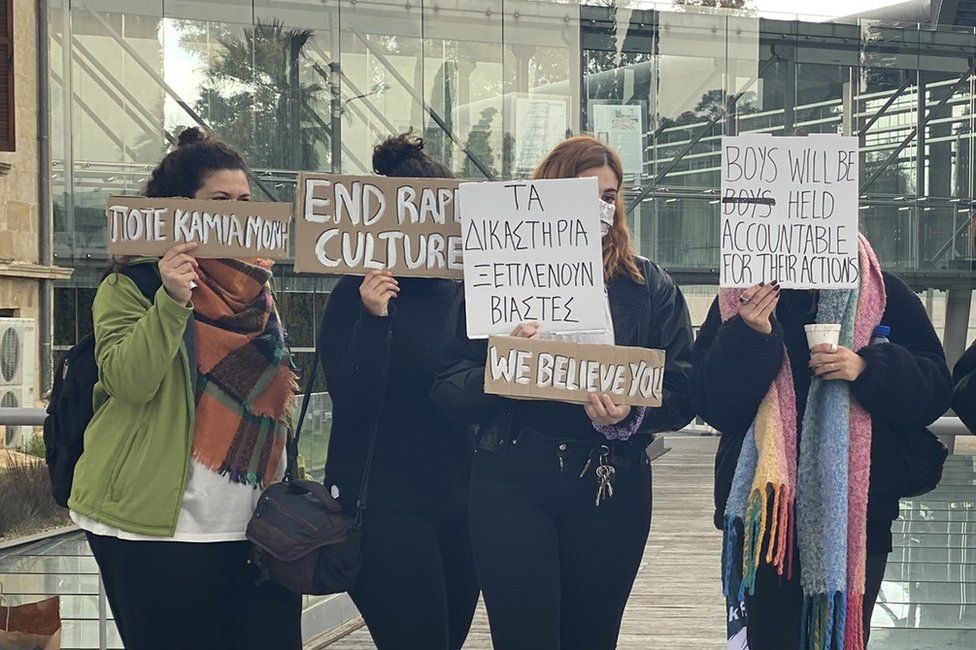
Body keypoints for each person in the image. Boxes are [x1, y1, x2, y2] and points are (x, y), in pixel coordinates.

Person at [431, 135, 696, 650]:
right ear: (549, 199)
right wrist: (505, 366)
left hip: (609, 481)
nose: (600, 208)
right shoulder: (494, 280)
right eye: (585, 195)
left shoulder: (649, 286)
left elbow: (684, 387)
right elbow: (447, 389)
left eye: (609, 196)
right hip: (511, 477)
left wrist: (631, 412)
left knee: (591, 637)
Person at [69, 127, 302, 649]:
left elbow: (273, 403)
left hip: (257, 526)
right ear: (180, 210)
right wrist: (172, 302)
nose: (236, 214)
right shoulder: (132, 285)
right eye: (219, 202)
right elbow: (129, 381)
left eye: (244, 201)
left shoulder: (257, 291)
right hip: (158, 528)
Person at [692, 237, 952, 649]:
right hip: (767, 516)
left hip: (857, 514)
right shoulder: (743, 298)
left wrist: (867, 367)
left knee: (840, 639)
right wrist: (749, 335)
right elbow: (712, 405)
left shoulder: (883, 293)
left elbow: (933, 392)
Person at [318, 133, 479, 650]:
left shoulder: (472, 295)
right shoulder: (355, 294)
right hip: (384, 508)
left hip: (464, 506)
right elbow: (351, 401)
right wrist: (373, 320)